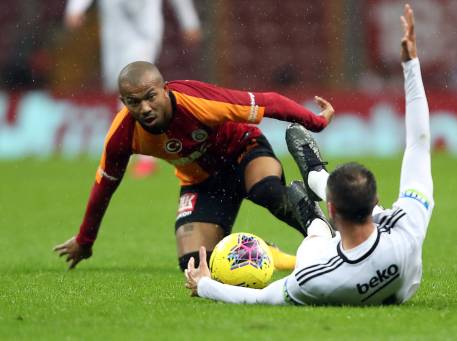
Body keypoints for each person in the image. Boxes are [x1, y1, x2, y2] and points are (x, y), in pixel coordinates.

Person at [185, 4, 435, 306]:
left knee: (315, 239)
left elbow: (263, 297)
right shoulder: (407, 227)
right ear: (375, 203)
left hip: (338, 256)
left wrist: (204, 285)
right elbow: (419, 144)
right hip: (399, 281)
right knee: (358, 213)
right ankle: (317, 175)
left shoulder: (317, 277)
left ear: (331, 210)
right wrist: (411, 64)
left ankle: (311, 212)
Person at [53, 61, 335, 271]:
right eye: (134, 102)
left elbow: (269, 102)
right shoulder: (122, 134)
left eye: (151, 96)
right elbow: (105, 186)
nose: (145, 108)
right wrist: (85, 241)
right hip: (201, 182)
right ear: (123, 102)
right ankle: (273, 257)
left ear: (164, 90)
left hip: (243, 151)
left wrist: (317, 122)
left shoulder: (197, 99)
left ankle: (329, 240)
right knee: (193, 263)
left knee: (268, 192)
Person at [64, 0, 203, 178]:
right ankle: (130, 149)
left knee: (136, 87)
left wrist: (189, 22)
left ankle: (145, 158)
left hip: (144, 34)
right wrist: (75, 8)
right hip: (114, 35)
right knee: (121, 91)